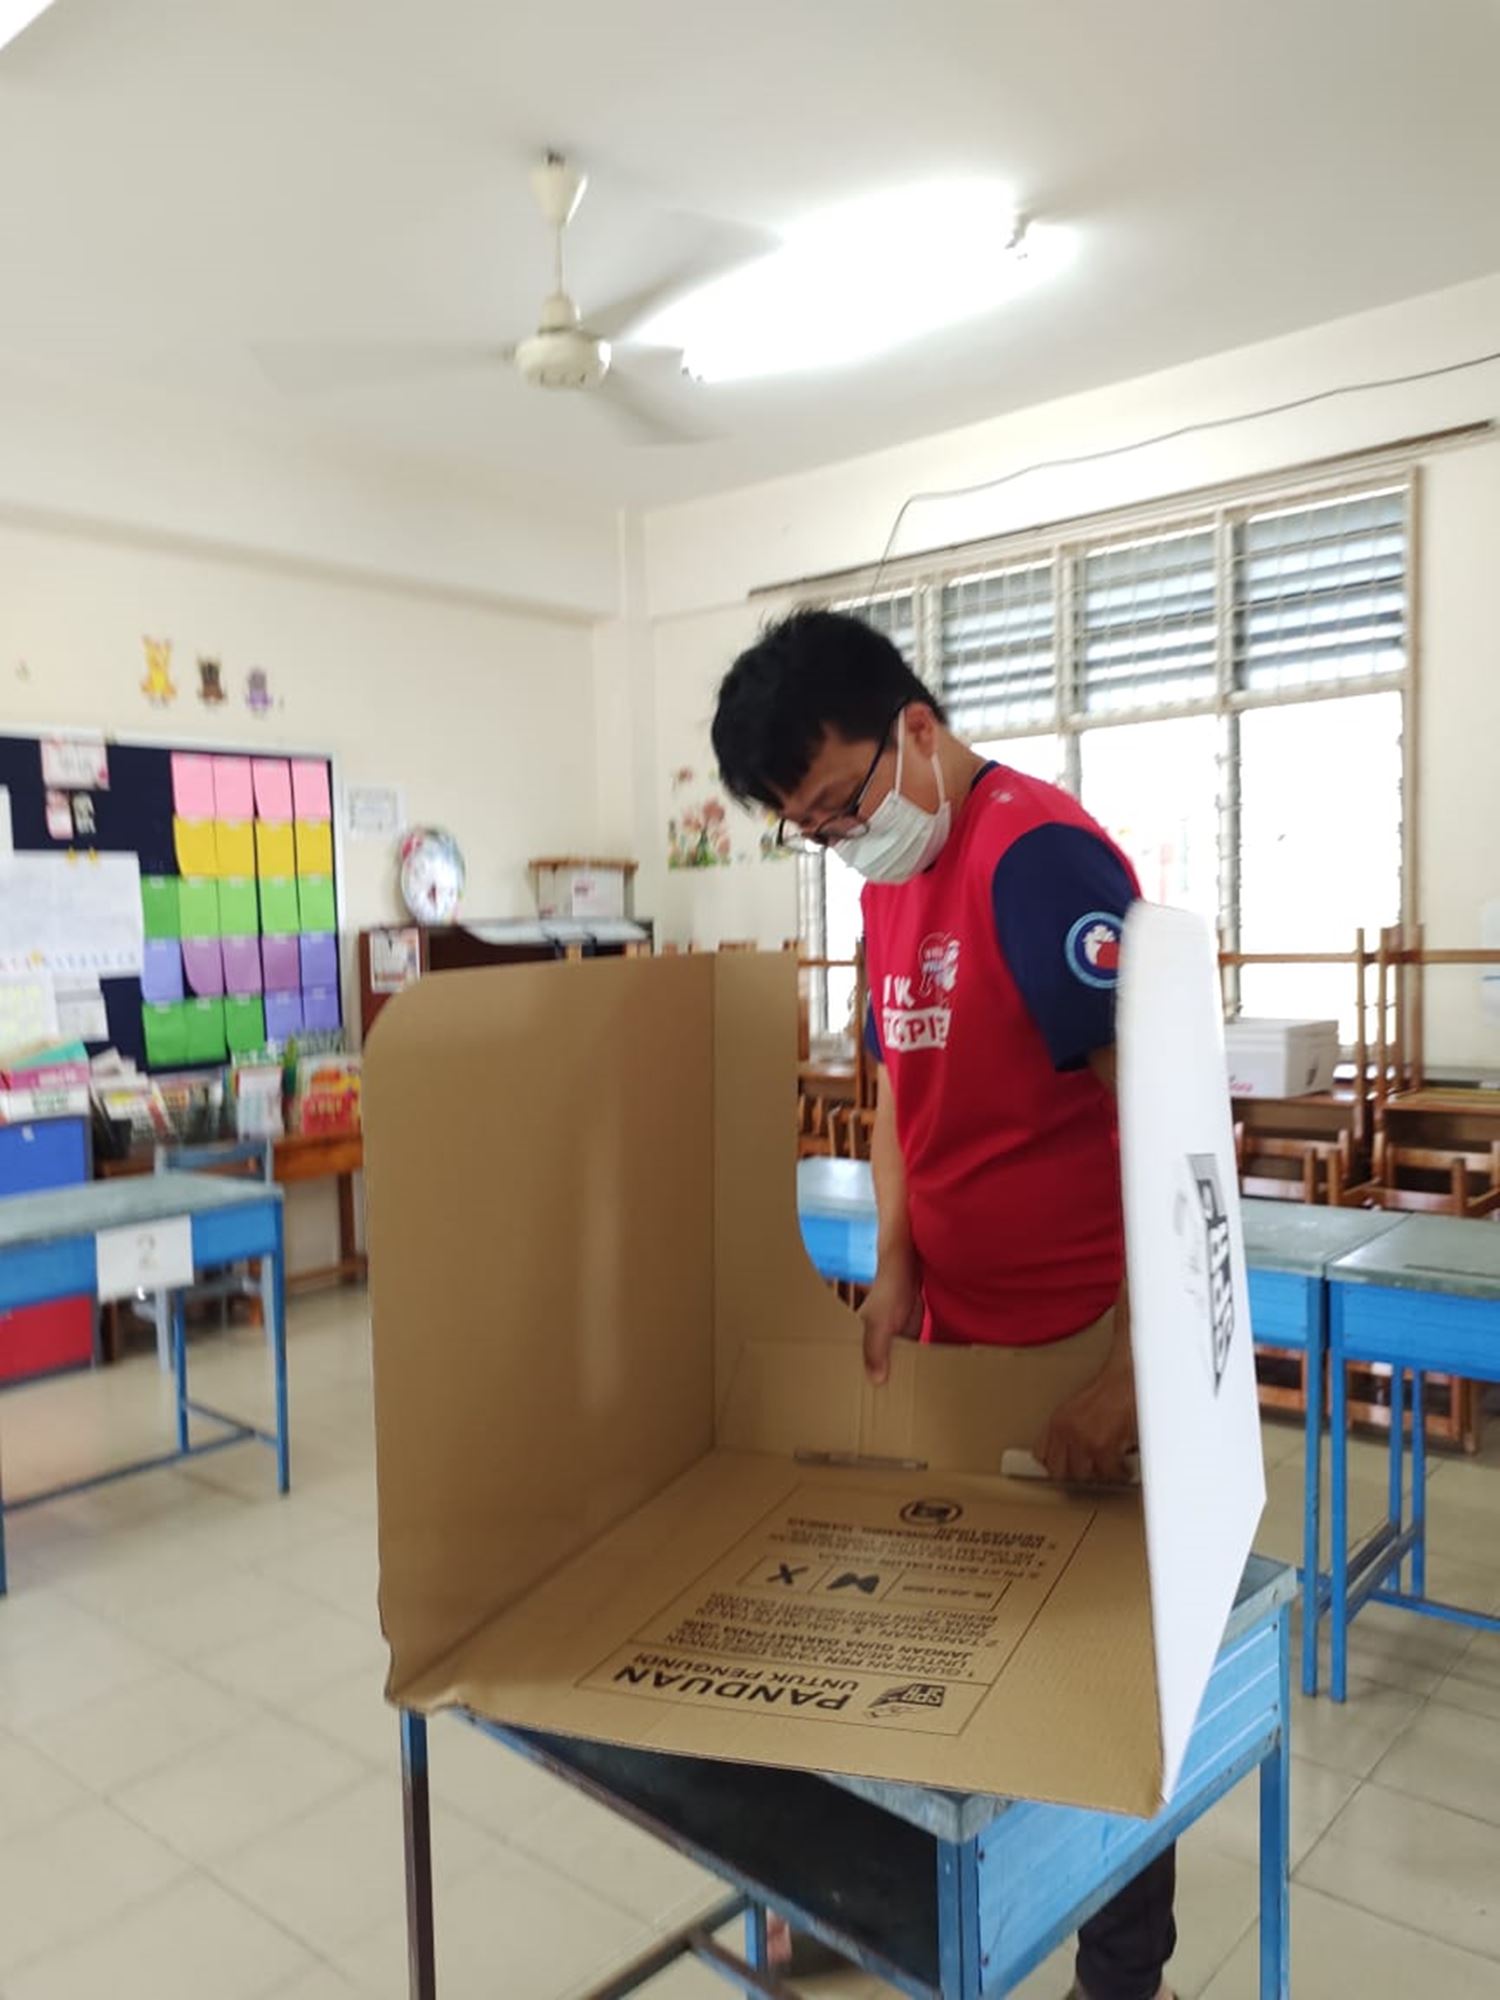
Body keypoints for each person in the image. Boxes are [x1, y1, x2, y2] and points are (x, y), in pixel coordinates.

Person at [711, 608, 1176, 2000]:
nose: (844, 836)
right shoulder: (880, 892)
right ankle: (904, 1894)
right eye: (809, 826)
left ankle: (1121, 1968)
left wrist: (1134, 1378)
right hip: (957, 1342)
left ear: (914, 728)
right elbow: (898, 1103)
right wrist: (899, 1261)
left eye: (842, 801)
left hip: (1086, 1342)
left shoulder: (1040, 863)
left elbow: (1165, 1125)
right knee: (940, 1638)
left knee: (1109, 1690)